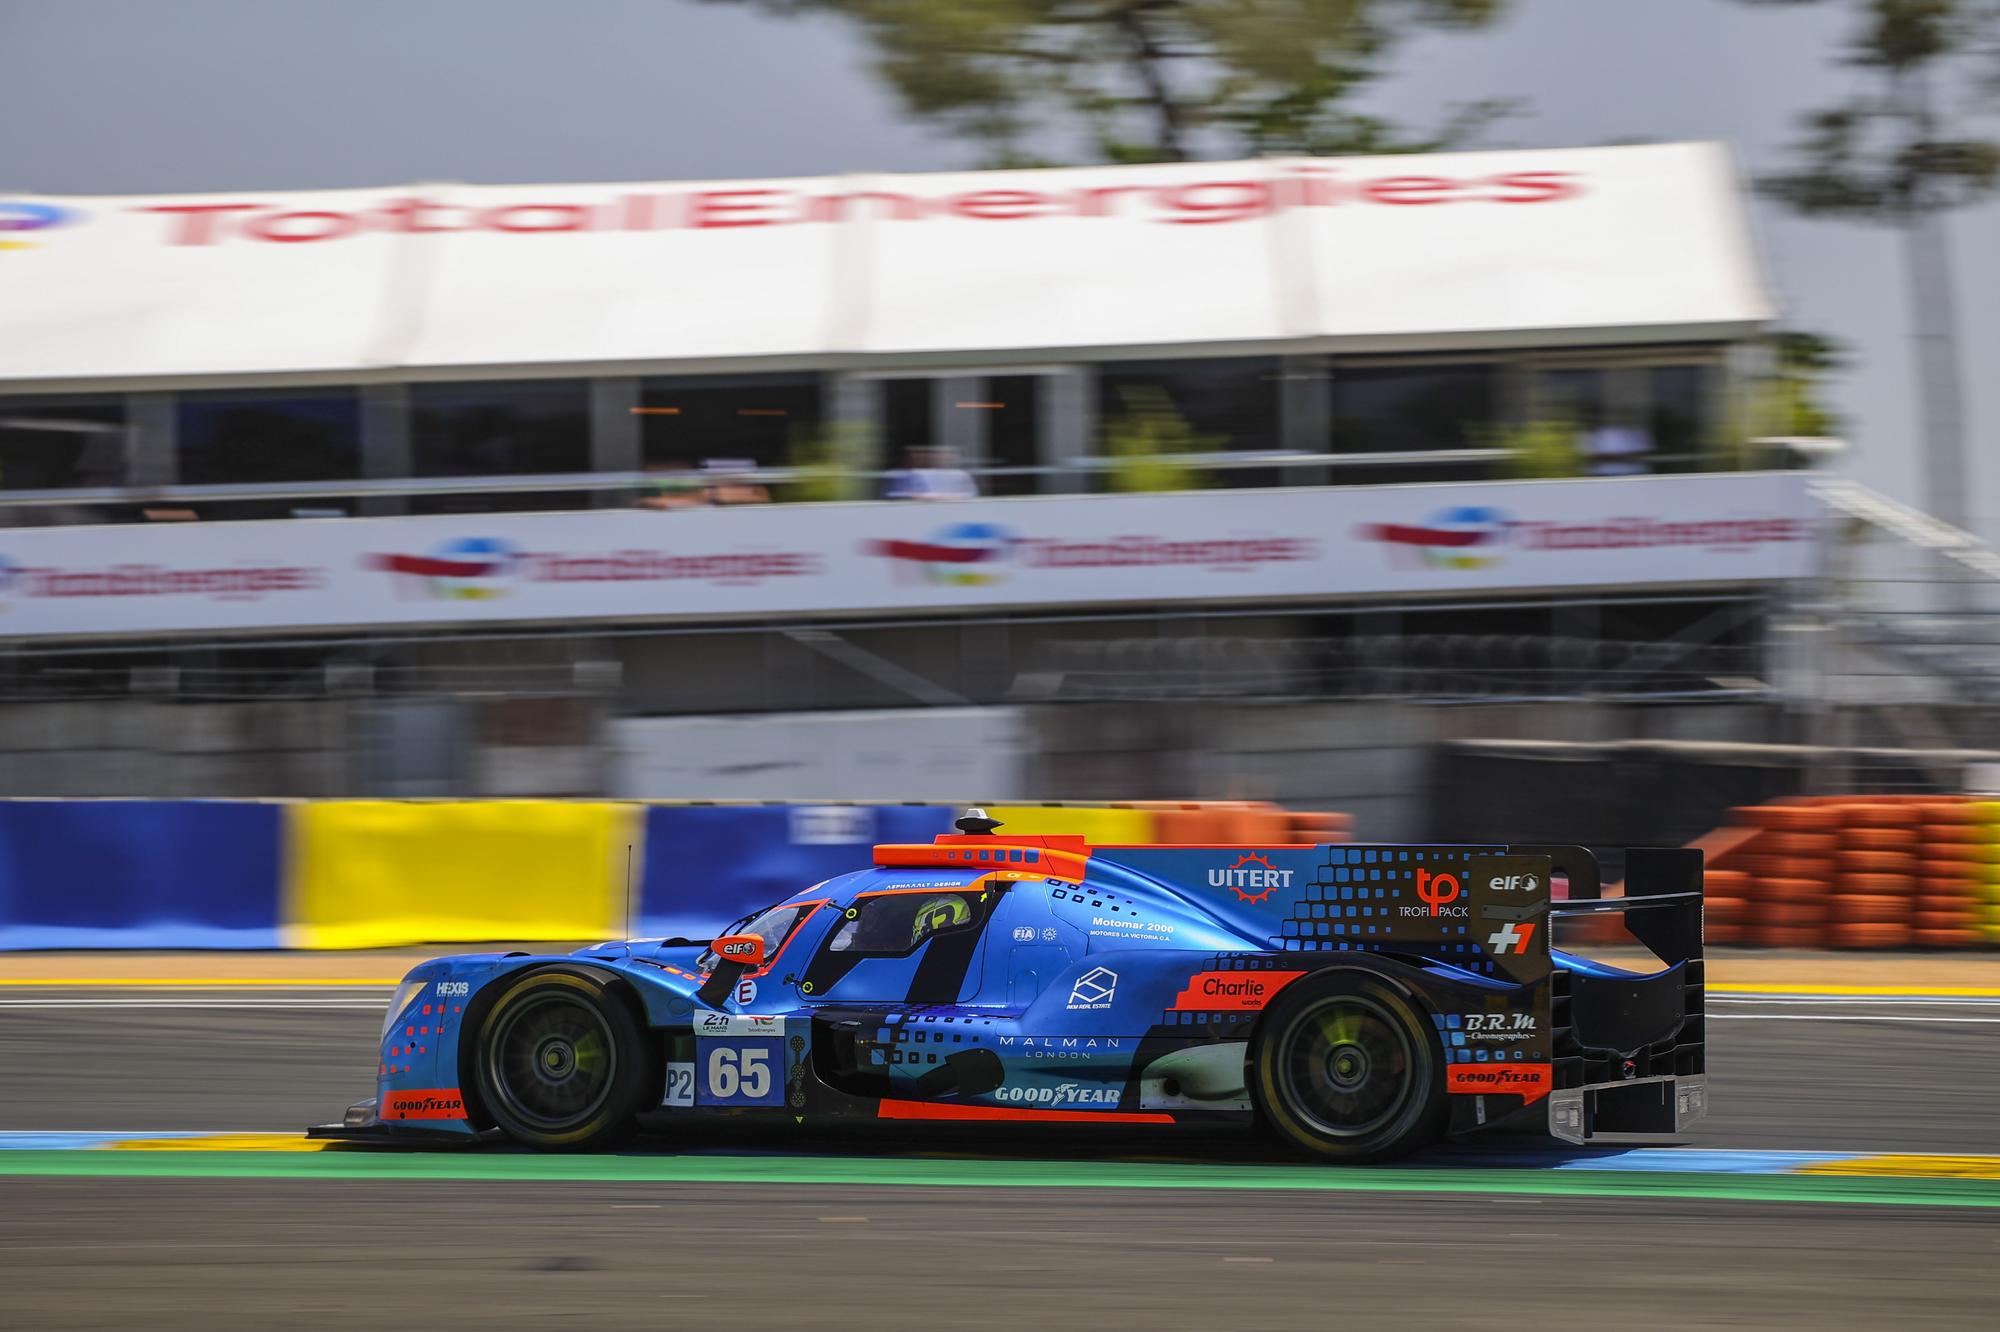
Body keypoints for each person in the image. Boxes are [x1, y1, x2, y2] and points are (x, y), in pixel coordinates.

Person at [882, 447, 977, 501]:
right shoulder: (896, 474)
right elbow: (891, 495)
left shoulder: (961, 474)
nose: (917, 462)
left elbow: (970, 495)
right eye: (914, 459)